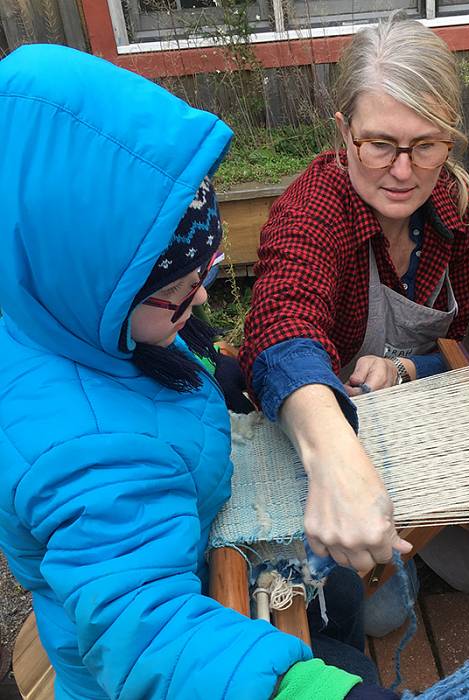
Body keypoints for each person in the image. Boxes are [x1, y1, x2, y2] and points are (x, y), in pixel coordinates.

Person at [0, 44, 398, 699]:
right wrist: (312, 691)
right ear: (107, 291)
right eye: (183, 289)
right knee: (338, 651)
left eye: (208, 274)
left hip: (189, 554)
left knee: (343, 594)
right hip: (164, 646)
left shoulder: (67, 316)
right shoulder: (85, 455)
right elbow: (150, 636)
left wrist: (233, 374)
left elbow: (168, 374)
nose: (204, 299)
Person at [239, 15, 469, 635]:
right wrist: (335, 456)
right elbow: (280, 327)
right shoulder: (313, 212)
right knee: (376, 614)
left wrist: (411, 369)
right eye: (379, 144)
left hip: (433, 425)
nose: (404, 172)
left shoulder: (460, 213)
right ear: (343, 133)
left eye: (426, 145)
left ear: (450, 141)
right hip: (342, 436)